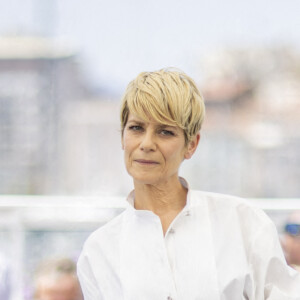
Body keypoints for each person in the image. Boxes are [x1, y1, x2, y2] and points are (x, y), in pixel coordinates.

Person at [77, 68, 300, 299]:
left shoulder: (243, 222)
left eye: (165, 132)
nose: (146, 143)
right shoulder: (99, 251)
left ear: (191, 145)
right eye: (136, 128)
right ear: (122, 135)